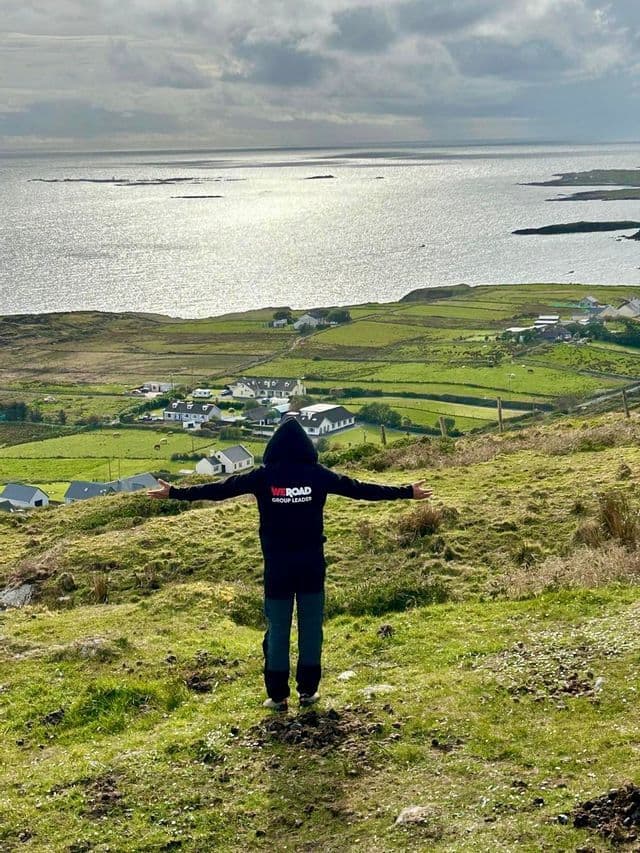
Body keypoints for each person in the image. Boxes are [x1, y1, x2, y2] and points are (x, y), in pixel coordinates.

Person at [148, 416, 432, 711]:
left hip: (278, 567)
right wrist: (406, 491)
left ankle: (277, 695)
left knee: (278, 627)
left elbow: (219, 489)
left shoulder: (263, 476)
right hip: (311, 565)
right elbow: (361, 489)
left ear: (274, 447)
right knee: (311, 627)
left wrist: (175, 493)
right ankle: (308, 692)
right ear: (307, 448)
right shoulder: (318, 475)